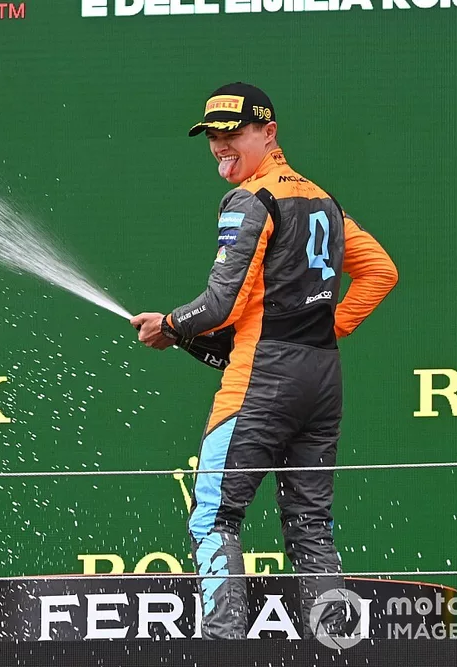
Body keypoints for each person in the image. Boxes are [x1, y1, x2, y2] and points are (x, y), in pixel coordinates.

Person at [130, 82, 398, 640]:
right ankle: (336, 644)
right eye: (212, 136)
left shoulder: (252, 200)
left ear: (268, 133)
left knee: (214, 517)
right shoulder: (322, 199)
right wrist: (327, 326)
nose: (221, 146)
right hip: (322, 378)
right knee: (311, 525)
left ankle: (224, 647)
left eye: (234, 133)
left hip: (261, 379)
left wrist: (171, 326)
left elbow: (220, 301)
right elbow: (381, 273)